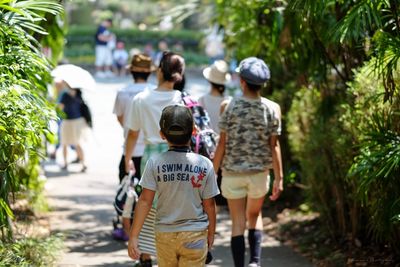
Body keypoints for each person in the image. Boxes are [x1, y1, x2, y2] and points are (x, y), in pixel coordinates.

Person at [213, 57, 284, 267]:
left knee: (238, 222)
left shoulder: (228, 106)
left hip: (232, 175)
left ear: (242, 81)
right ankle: (255, 261)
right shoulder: (272, 108)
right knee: (254, 216)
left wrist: (212, 173)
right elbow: (274, 146)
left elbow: (221, 144)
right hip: (259, 175)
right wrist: (279, 178)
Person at [128, 105, 219, 266]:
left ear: (162, 134)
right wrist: (211, 232)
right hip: (195, 235)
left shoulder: (154, 163)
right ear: (193, 131)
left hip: (165, 235)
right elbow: (210, 205)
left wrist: (134, 236)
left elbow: (145, 201)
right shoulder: (205, 164)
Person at [124, 51, 185, 266]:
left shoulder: (141, 99)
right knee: (174, 204)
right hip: (179, 156)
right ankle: (170, 254)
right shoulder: (182, 99)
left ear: (159, 71)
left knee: (148, 204)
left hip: (151, 157)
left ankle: (146, 256)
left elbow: (132, 134)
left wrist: (127, 159)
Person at [113, 53, 156, 183]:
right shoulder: (155, 92)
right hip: (152, 151)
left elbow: (120, 118)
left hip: (130, 151)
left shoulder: (122, 93)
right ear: (149, 73)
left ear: (131, 71)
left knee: (127, 195)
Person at [198, 60, 231, 207]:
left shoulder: (201, 101)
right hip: (224, 152)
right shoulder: (228, 102)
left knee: (206, 194)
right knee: (221, 193)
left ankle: (210, 227)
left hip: (205, 152)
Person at [58, 83, 89, 172]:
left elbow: (60, 107)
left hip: (67, 121)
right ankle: (83, 164)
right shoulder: (79, 93)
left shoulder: (65, 94)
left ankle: (65, 163)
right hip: (78, 121)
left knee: (64, 143)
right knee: (78, 144)